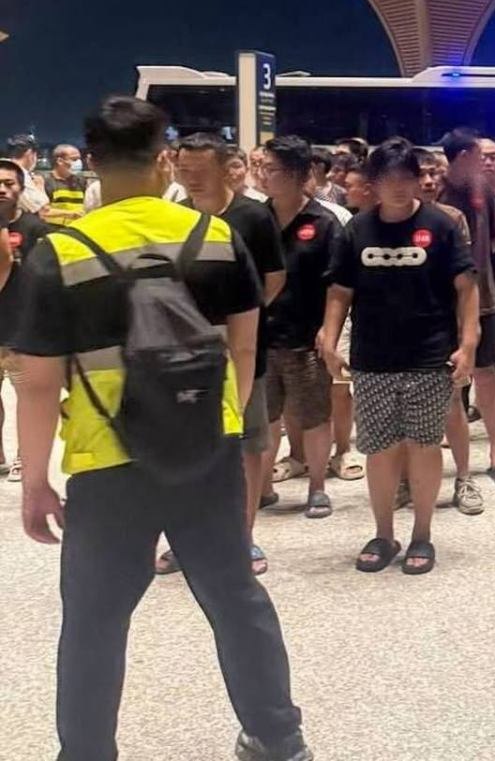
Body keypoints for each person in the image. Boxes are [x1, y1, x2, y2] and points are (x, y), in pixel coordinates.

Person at [13, 96, 310, 761]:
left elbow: (36, 383)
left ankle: (87, 752)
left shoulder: (59, 253)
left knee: (93, 620)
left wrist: (35, 481)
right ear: (164, 160)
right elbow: (244, 348)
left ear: (92, 163)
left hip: (107, 462)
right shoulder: (215, 237)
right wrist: (220, 426)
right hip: (207, 452)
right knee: (235, 598)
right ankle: (278, 738)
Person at [322, 137, 479, 575]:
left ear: (417, 179)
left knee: (424, 446)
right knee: (380, 448)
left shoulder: (440, 225)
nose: (397, 186)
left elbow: (466, 288)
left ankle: (422, 534)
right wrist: (330, 339)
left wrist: (468, 343)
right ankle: (384, 532)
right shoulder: (357, 229)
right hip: (372, 357)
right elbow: (339, 291)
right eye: (387, 178)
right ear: (373, 183)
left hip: (429, 355)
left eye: (405, 178)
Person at [171, 133, 287, 577]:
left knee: (247, 446)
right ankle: (186, 538)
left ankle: (243, 536)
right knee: (186, 448)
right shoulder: (176, 216)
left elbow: (274, 278)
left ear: (226, 169)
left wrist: (244, 323)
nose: (191, 178)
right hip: (184, 353)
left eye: (201, 170)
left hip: (242, 350)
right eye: (184, 170)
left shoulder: (253, 216)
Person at [260, 134, 343, 519]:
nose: (264, 175)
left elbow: (337, 285)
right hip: (260, 339)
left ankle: (317, 487)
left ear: (297, 174)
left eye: (271, 169)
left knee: (314, 415)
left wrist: (329, 332)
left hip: (306, 338)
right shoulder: (255, 218)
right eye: (262, 168)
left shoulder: (324, 222)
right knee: (264, 418)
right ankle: (262, 487)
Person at [439, 128, 495, 510]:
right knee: (448, 385)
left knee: (487, 373)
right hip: (441, 304)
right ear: (462, 156)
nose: (486, 162)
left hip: (483, 298)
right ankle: (457, 467)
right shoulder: (435, 191)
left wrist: (478, 268)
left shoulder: (483, 189)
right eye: (478, 155)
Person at [0, 158, 52, 483]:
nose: (2, 189)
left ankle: (24, 457)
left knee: (26, 399)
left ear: (21, 188)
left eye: (9, 183)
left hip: (22, 329)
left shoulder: (36, 229)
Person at [42, 143, 88, 225]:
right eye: (74, 159)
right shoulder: (46, 182)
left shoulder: (81, 181)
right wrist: (70, 214)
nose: (78, 163)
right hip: (53, 228)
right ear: (60, 161)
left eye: (79, 159)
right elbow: (44, 211)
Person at [5, 133, 49, 216]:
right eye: (37, 155)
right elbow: (43, 210)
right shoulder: (19, 173)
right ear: (30, 153)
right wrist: (40, 186)